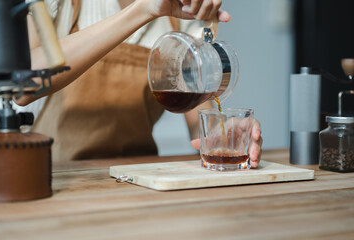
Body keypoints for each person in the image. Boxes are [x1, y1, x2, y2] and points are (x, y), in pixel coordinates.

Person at [15, 0, 262, 167]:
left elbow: (197, 115)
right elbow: (24, 83)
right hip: (52, 176)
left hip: (137, 178)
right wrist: (143, 9)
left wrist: (220, 136)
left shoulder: (176, 15)